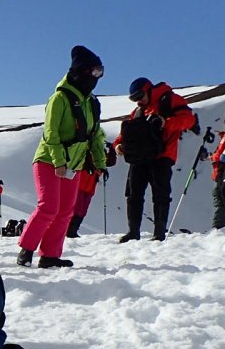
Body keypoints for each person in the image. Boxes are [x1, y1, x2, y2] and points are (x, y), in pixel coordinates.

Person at [17, 45, 107, 268]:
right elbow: (50, 133)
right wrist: (58, 161)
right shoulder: (59, 98)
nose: (97, 78)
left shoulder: (92, 103)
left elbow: (95, 135)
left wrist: (100, 163)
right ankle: (26, 250)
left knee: (66, 212)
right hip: (49, 160)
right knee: (48, 207)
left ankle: (50, 256)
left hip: (73, 165)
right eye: (94, 72)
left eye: (100, 72)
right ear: (82, 72)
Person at [113, 77, 198, 242]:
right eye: (134, 98)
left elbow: (189, 120)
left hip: (163, 155)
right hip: (139, 157)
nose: (138, 101)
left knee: (161, 194)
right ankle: (133, 232)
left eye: (139, 96)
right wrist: (118, 145)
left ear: (148, 89)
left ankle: (159, 233)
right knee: (133, 194)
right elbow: (127, 133)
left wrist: (166, 122)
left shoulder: (170, 100)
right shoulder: (138, 111)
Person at [67, 148, 114, 238]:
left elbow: (109, 162)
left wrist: (111, 152)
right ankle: (70, 231)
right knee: (78, 208)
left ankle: (73, 230)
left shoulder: (96, 152)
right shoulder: (86, 153)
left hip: (89, 186)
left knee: (82, 210)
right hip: (82, 184)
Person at [212, 134, 225, 230]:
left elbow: (221, 156)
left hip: (221, 170)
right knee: (219, 196)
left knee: (221, 196)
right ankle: (218, 229)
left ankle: (218, 229)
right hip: (219, 171)